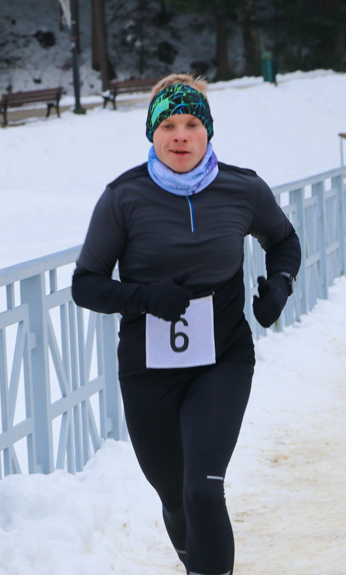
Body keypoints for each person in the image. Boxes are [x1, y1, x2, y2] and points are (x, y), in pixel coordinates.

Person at [71, 73, 301, 575]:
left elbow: (284, 241)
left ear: (208, 131)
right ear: (152, 134)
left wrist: (279, 285)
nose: (180, 135)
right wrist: (146, 299)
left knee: (202, 488)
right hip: (146, 368)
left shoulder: (243, 188)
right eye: (168, 125)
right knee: (174, 496)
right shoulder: (123, 197)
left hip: (222, 359)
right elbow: (85, 284)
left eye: (192, 123)